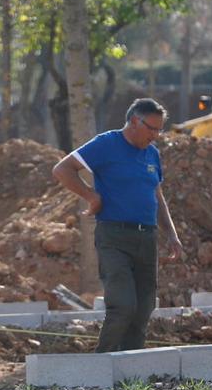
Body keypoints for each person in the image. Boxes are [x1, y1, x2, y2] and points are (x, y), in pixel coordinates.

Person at [51, 98, 185, 352]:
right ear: (135, 121)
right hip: (114, 236)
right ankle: (103, 363)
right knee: (123, 305)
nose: (155, 135)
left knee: (144, 307)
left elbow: (157, 197)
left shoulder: (152, 154)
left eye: (159, 130)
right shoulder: (106, 144)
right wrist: (91, 195)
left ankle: (130, 368)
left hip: (146, 238)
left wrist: (172, 235)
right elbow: (63, 169)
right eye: (151, 129)